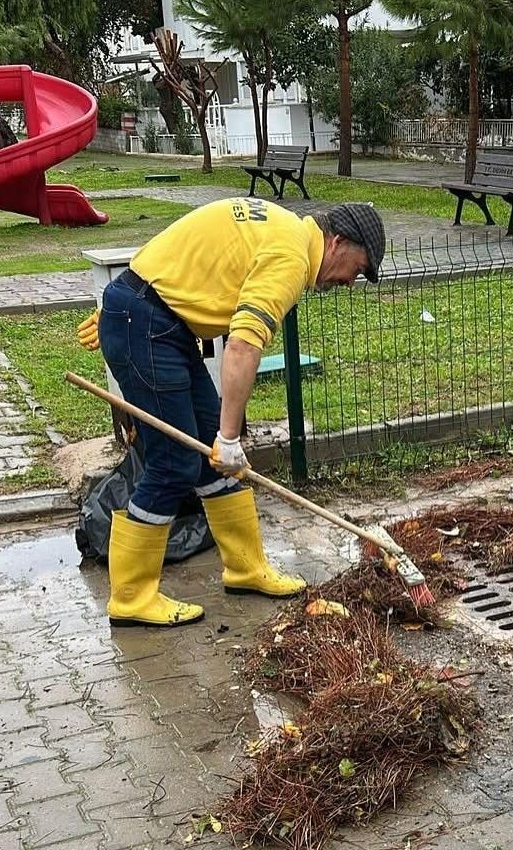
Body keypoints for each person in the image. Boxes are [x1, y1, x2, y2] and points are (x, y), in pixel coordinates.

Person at [77, 198, 386, 628]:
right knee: (174, 463)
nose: (353, 281)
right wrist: (229, 438)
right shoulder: (291, 258)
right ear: (337, 242)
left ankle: (245, 569)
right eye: (360, 267)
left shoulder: (287, 232)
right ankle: (131, 596)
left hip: (154, 316)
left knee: (210, 457)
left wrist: (128, 298)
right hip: (147, 323)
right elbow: (242, 346)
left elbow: (196, 252)